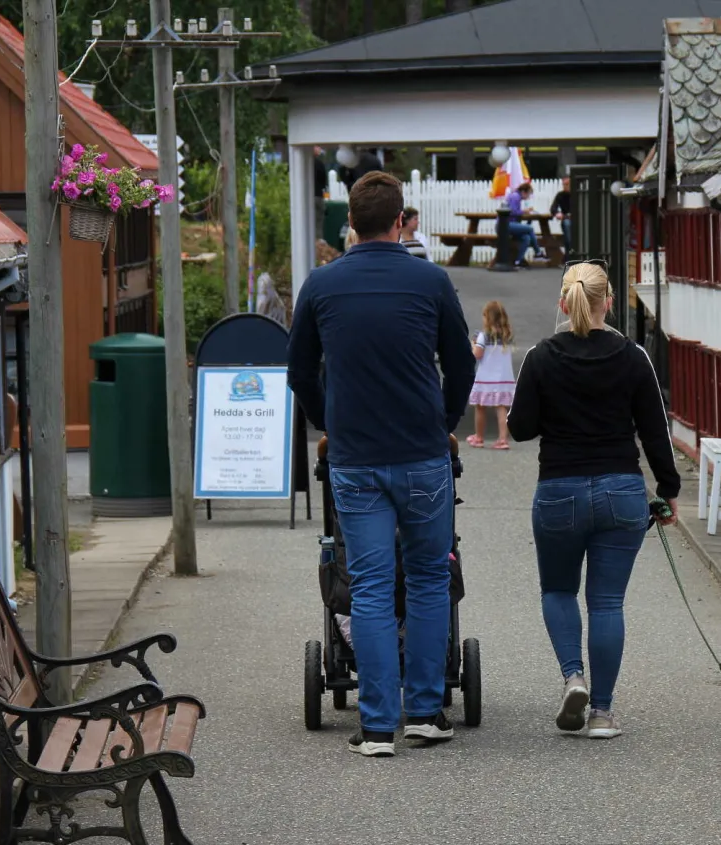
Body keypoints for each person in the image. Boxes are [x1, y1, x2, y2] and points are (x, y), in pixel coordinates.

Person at [289, 171, 477, 757]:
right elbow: (461, 365)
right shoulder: (431, 281)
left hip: (356, 460)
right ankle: (424, 712)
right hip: (423, 456)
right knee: (426, 579)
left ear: (351, 223)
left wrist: (331, 425)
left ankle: (375, 727)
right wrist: (443, 422)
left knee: (369, 585)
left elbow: (299, 372)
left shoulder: (321, 286)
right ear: (401, 222)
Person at [507, 261, 680, 739]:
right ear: (609, 301)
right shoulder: (633, 357)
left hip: (559, 490)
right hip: (621, 493)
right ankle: (602, 713)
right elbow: (655, 431)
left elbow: (519, 428)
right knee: (606, 603)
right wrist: (667, 490)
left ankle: (572, 677)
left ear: (564, 303)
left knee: (559, 591)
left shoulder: (541, 356)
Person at [466, 300, 516, 450]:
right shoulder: (507, 335)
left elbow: (477, 355)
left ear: (488, 318)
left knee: (480, 406)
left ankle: (479, 437)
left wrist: (473, 344)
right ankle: (503, 439)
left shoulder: (483, 336)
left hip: (486, 378)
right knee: (501, 408)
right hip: (504, 378)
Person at [504, 182, 545, 267]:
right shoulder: (516, 197)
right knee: (530, 228)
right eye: (528, 194)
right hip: (505, 225)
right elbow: (512, 212)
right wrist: (524, 211)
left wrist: (524, 212)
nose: (528, 197)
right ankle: (538, 252)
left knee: (527, 238)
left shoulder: (516, 197)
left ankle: (518, 262)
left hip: (510, 224)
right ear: (523, 192)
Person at [550, 176, 572, 256]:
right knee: (567, 224)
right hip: (566, 220)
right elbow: (553, 208)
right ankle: (568, 255)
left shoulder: (578, 194)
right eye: (564, 184)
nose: (565, 186)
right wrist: (557, 213)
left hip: (579, 220)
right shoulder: (560, 195)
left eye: (567, 184)